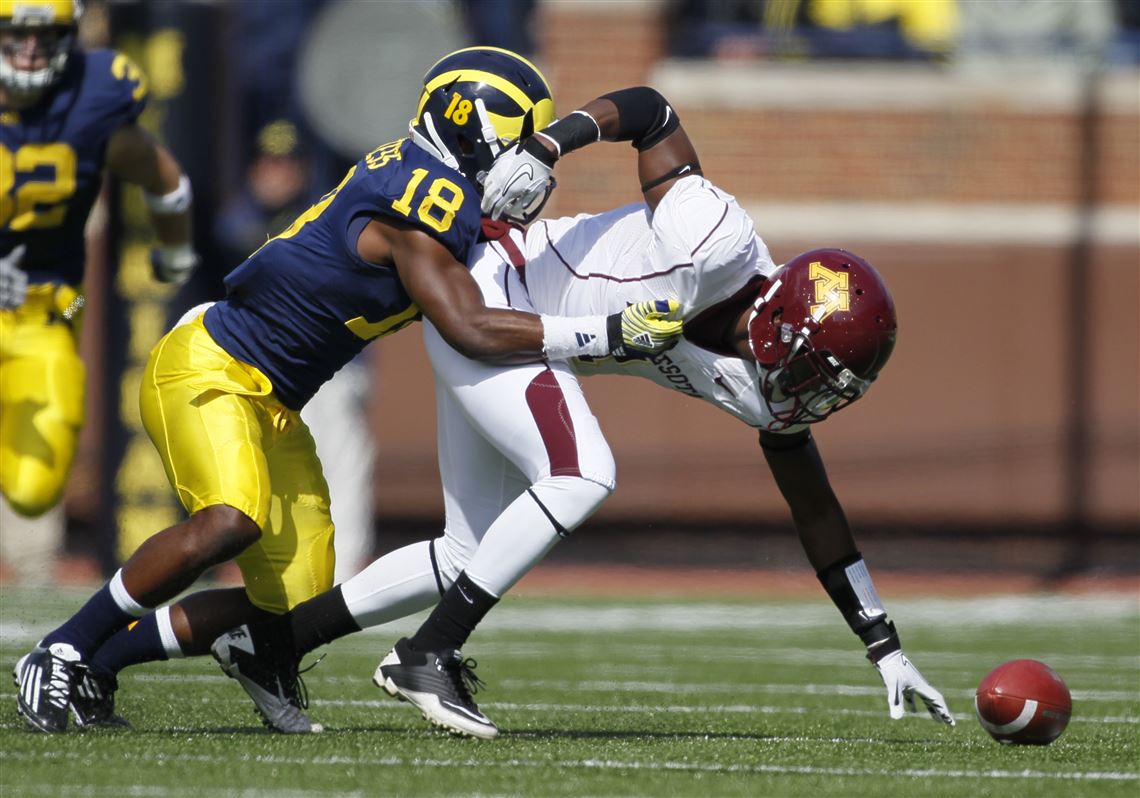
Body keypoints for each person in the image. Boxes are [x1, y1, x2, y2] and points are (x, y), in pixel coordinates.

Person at [209, 85, 955, 739]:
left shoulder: (766, 386)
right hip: (499, 299)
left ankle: (271, 645)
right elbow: (651, 111)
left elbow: (816, 510)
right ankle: (424, 656)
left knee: (467, 552)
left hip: (536, 339)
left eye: (833, 387)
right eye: (817, 373)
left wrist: (883, 644)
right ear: (781, 319)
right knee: (583, 473)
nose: (814, 396)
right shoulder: (714, 244)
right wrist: (546, 143)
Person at [12, 45, 680, 734]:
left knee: (291, 609)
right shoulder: (425, 197)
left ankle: (102, 666)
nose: (524, 164)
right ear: (471, 124)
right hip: (209, 365)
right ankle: (60, 647)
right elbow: (470, 326)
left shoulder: (434, 183)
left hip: (275, 402)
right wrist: (606, 332)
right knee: (227, 520)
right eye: (517, 142)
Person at [0, 1, 198, 561]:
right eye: (14, 35)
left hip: (46, 314)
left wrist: (176, 249)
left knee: (32, 489)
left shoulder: (93, 99)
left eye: (46, 34)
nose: (31, 49)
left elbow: (164, 179)